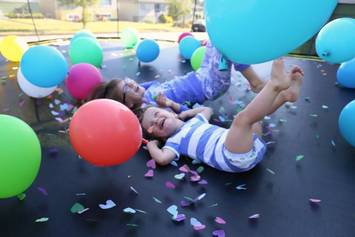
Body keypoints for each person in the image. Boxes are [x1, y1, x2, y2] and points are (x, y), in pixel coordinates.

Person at [139, 59, 304, 172]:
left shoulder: (194, 122)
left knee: (253, 118)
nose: (155, 120)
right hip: (231, 156)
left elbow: (207, 111)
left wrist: (185, 112)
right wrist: (152, 146)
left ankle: (285, 97)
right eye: (151, 125)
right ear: (156, 135)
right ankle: (275, 85)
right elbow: (162, 159)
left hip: (249, 145)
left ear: (170, 114)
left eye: (156, 113)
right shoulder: (174, 142)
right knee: (242, 119)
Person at [86, 41, 265, 113]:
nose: (132, 84)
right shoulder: (151, 108)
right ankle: (255, 81)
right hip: (210, 86)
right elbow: (181, 115)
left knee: (215, 40)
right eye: (127, 88)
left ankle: (219, 46)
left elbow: (151, 83)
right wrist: (169, 104)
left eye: (128, 81)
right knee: (225, 47)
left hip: (200, 75)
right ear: (129, 105)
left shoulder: (144, 92)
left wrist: (132, 86)